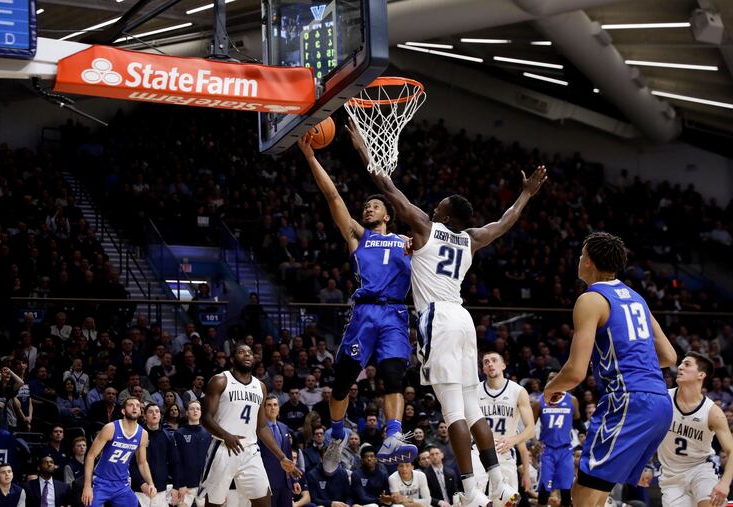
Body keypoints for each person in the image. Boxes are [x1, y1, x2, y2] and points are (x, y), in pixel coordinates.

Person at [348, 119, 546, 507]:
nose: (433, 207)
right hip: (463, 317)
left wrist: (361, 149)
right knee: (473, 408)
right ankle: (499, 483)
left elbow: (387, 187)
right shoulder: (470, 239)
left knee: (453, 408)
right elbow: (505, 223)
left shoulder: (424, 226)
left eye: (439, 206)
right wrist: (525, 195)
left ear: (447, 215)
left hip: (437, 318)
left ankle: (471, 491)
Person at [299, 134, 416, 470]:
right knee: (342, 385)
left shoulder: (408, 242)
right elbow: (332, 194)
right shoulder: (357, 236)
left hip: (394, 313)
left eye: (375, 205)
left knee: (394, 376)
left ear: (388, 216)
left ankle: (393, 434)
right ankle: (337, 434)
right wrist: (310, 156)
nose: (368, 207)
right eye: (366, 205)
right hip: (364, 313)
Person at [543, 232, 677, 507]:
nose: (579, 260)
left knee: (585, 492)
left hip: (628, 400)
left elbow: (575, 372)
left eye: (581, 255)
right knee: (593, 487)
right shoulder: (637, 299)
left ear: (589, 261)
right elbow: (669, 355)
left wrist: (551, 387)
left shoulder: (591, 299)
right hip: (660, 402)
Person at [198, 345, 301, 507]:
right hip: (223, 448)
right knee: (213, 503)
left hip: (250, 451)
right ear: (232, 359)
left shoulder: (260, 387)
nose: (247, 355)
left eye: (250, 353)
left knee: (264, 502)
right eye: (241, 352)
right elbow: (206, 418)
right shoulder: (220, 381)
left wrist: (282, 457)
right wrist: (226, 435)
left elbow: (262, 427)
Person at [657, 352, 733, 507]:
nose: (680, 367)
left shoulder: (713, 412)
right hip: (671, 476)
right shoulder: (663, 399)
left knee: (709, 504)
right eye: (681, 363)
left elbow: (731, 450)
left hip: (700, 468)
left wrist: (725, 483)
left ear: (701, 374)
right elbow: (644, 434)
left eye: (687, 364)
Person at [473, 352, 535, 495]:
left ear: (503, 366)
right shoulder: (474, 391)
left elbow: (531, 430)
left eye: (494, 360)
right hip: (478, 450)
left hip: (504, 450)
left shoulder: (518, 391)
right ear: (483, 369)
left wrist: (512, 440)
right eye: (486, 362)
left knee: (507, 500)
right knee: (476, 498)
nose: (490, 364)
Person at [81, 398, 157, 507]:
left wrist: (150, 483)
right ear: (123, 411)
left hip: (122, 485)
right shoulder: (110, 428)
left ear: (140, 412)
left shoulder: (143, 434)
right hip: (101, 483)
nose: (135, 407)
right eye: (131, 405)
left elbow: (142, 462)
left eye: (137, 405)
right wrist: (87, 486)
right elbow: (90, 456)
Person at [532, 371, 585, 507]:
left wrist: (586, 434)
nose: (553, 380)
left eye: (556, 378)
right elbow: (529, 426)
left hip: (565, 450)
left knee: (566, 490)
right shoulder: (539, 402)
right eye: (550, 378)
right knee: (544, 490)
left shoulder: (572, 400)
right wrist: (534, 441)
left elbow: (578, 422)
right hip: (547, 450)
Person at [131, 403, 179, 507]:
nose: (154, 414)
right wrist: (141, 483)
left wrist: (176, 486)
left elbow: (174, 462)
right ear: (144, 416)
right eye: (150, 412)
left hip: (160, 489)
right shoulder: (137, 435)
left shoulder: (168, 436)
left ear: (160, 415)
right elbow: (131, 463)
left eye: (157, 412)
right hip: (139, 489)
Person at [174, 400, 212, 507]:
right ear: (187, 412)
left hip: (204, 485)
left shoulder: (208, 433)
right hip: (186, 485)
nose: (195, 411)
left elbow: (211, 460)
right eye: (192, 409)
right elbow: (177, 461)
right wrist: (180, 484)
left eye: (198, 409)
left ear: (201, 412)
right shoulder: (179, 433)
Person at [259, 395, 294, 507]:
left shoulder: (284, 427)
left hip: (285, 482)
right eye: (269, 405)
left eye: (275, 405)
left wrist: (294, 480)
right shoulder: (258, 429)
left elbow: (288, 455)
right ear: (263, 409)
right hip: (267, 481)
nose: (272, 408)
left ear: (279, 408)